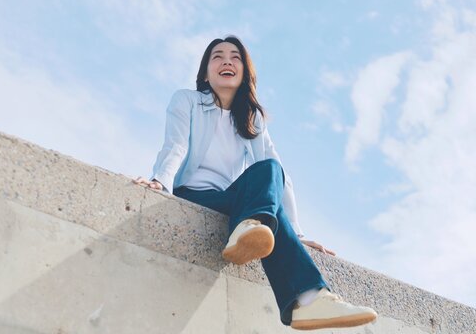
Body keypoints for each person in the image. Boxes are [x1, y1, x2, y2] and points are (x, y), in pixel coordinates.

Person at [133, 35, 377, 330]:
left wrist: (297, 234)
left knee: (270, 169)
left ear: (244, 71)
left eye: (235, 57)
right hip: (193, 194)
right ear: (206, 73)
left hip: (233, 202)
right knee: (266, 199)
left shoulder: (252, 118)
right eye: (217, 56)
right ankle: (308, 292)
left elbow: (279, 177)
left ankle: (313, 299)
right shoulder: (187, 100)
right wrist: (160, 181)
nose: (226, 61)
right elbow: (175, 146)